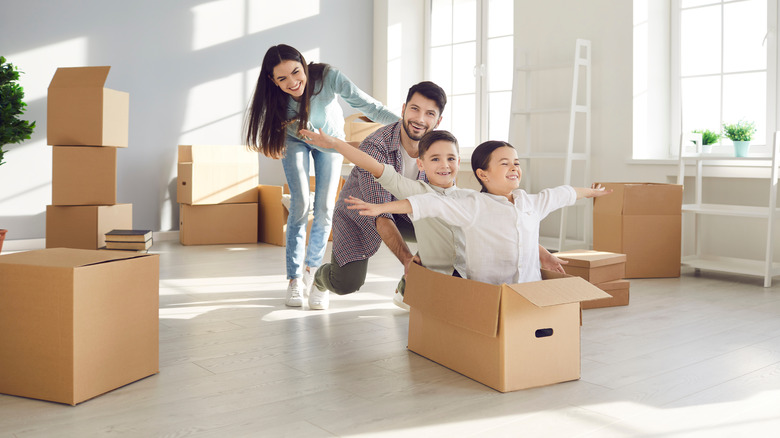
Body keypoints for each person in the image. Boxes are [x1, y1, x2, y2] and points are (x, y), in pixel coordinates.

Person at [301, 128, 571, 308]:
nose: (445, 165)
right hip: (439, 274)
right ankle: (328, 280)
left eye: (451, 158)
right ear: (421, 164)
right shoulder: (414, 190)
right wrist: (335, 144)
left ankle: (409, 281)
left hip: (468, 274)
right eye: (435, 159)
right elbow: (373, 165)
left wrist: (541, 253)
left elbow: (507, 228)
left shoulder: (470, 197)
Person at [244, 44, 400, 309]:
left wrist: (405, 128)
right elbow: (268, 128)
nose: (293, 82)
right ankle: (294, 279)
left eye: (296, 72)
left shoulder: (328, 78)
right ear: (272, 80)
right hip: (296, 142)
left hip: (330, 142)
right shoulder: (273, 98)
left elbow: (369, 106)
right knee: (300, 204)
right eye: (282, 79)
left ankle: (312, 270)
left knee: (325, 207)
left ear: (304, 65)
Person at [345, 140, 612, 285]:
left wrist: (592, 192)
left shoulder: (529, 202)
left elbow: (562, 193)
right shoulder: (472, 205)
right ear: (482, 174)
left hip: (528, 287)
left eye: (516, 163)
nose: (514, 168)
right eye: (505, 163)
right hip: (483, 289)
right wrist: (382, 208)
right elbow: (426, 203)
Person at [305, 81, 447, 309]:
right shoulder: (375, 146)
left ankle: (405, 288)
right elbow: (380, 214)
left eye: (429, 113)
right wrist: (406, 260)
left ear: (438, 121)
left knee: (448, 227)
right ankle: (320, 279)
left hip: (405, 214)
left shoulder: (440, 149)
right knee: (345, 284)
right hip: (360, 214)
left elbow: (445, 204)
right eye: (414, 109)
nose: (420, 119)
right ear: (403, 109)